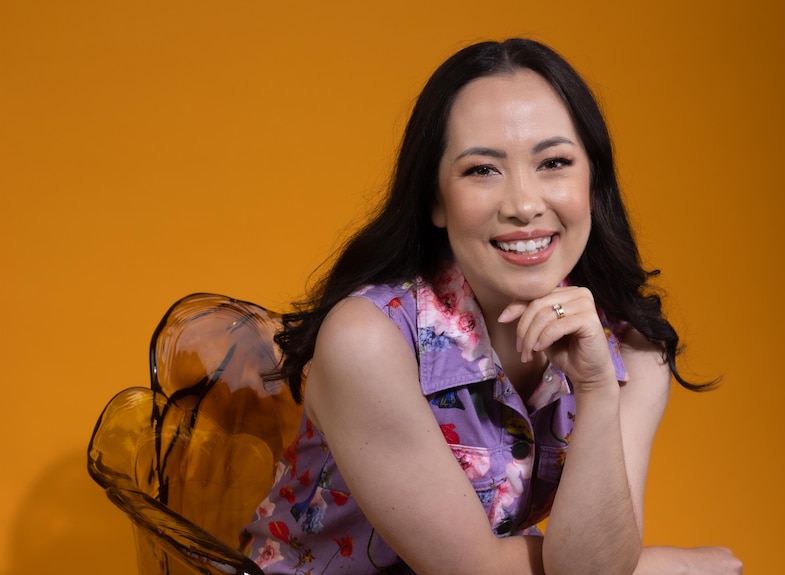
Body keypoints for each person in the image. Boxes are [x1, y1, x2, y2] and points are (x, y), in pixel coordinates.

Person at [241, 38, 742, 575]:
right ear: (435, 198)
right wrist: (665, 567)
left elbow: (591, 569)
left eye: (554, 162)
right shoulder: (369, 340)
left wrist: (596, 391)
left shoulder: (633, 352)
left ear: (592, 182)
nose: (524, 205)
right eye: (482, 169)